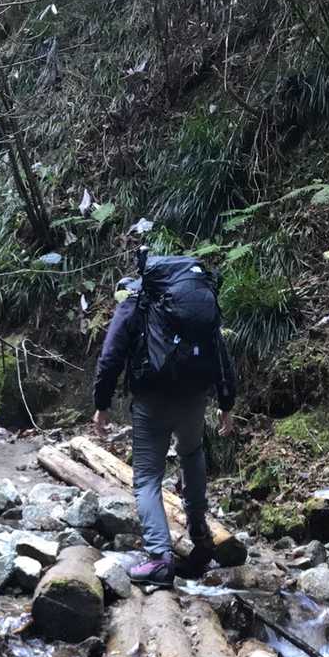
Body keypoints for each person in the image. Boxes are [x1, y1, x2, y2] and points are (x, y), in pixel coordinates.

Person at [91, 251, 237, 587]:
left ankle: (159, 558)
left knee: (147, 478)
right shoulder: (197, 300)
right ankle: (200, 539)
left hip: (152, 398)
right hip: (195, 396)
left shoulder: (138, 298)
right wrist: (226, 402)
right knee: (191, 454)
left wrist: (102, 404)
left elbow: (111, 355)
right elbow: (219, 350)